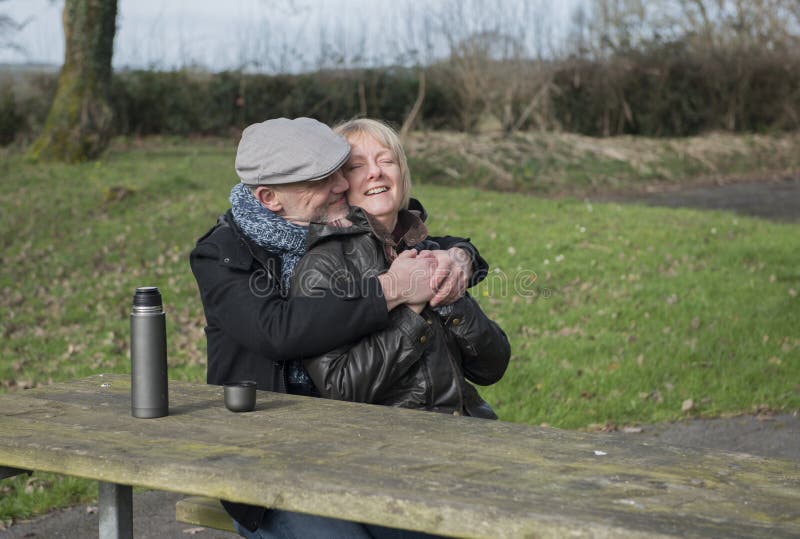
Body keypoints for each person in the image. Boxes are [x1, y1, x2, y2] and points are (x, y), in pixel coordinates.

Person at [189, 117, 489, 538]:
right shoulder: (222, 254)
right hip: (264, 457)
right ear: (270, 197)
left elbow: (407, 230)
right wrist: (391, 288)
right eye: (322, 179)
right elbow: (276, 330)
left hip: (354, 445)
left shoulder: (338, 226)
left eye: (337, 171)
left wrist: (462, 256)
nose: (340, 185)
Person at [291, 118, 510, 418]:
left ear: (402, 174)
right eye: (356, 166)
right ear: (337, 185)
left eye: (386, 160)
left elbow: (492, 367)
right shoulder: (323, 265)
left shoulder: (429, 250)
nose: (376, 172)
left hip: (468, 428)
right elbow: (340, 388)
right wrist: (411, 308)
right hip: (389, 443)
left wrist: (449, 297)